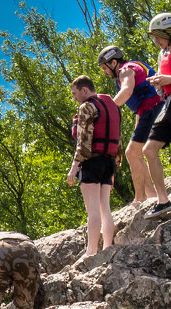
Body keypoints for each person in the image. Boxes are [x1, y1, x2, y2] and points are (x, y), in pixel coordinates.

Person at [98, 45, 163, 204]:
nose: (104, 72)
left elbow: (127, 91)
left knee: (134, 153)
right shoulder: (132, 67)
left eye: (104, 68)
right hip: (148, 112)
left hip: (155, 109)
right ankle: (149, 195)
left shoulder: (126, 70)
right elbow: (140, 106)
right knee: (133, 152)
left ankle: (142, 197)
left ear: (113, 63)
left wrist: (106, 110)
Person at [67, 75, 119, 262]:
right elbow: (117, 138)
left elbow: (83, 141)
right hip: (109, 161)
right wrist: (115, 167)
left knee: (93, 211)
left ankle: (91, 252)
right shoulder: (111, 104)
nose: (74, 98)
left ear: (84, 90)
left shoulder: (87, 107)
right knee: (105, 208)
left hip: (92, 162)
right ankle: (107, 248)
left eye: (75, 93)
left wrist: (74, 168)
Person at [142, 13, 171, 218]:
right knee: (149, 149)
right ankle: (163, 201)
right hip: (168, 103)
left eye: (158, 35)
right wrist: (159, 81)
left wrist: (165, 78)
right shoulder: (164, 53)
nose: (155, 40)